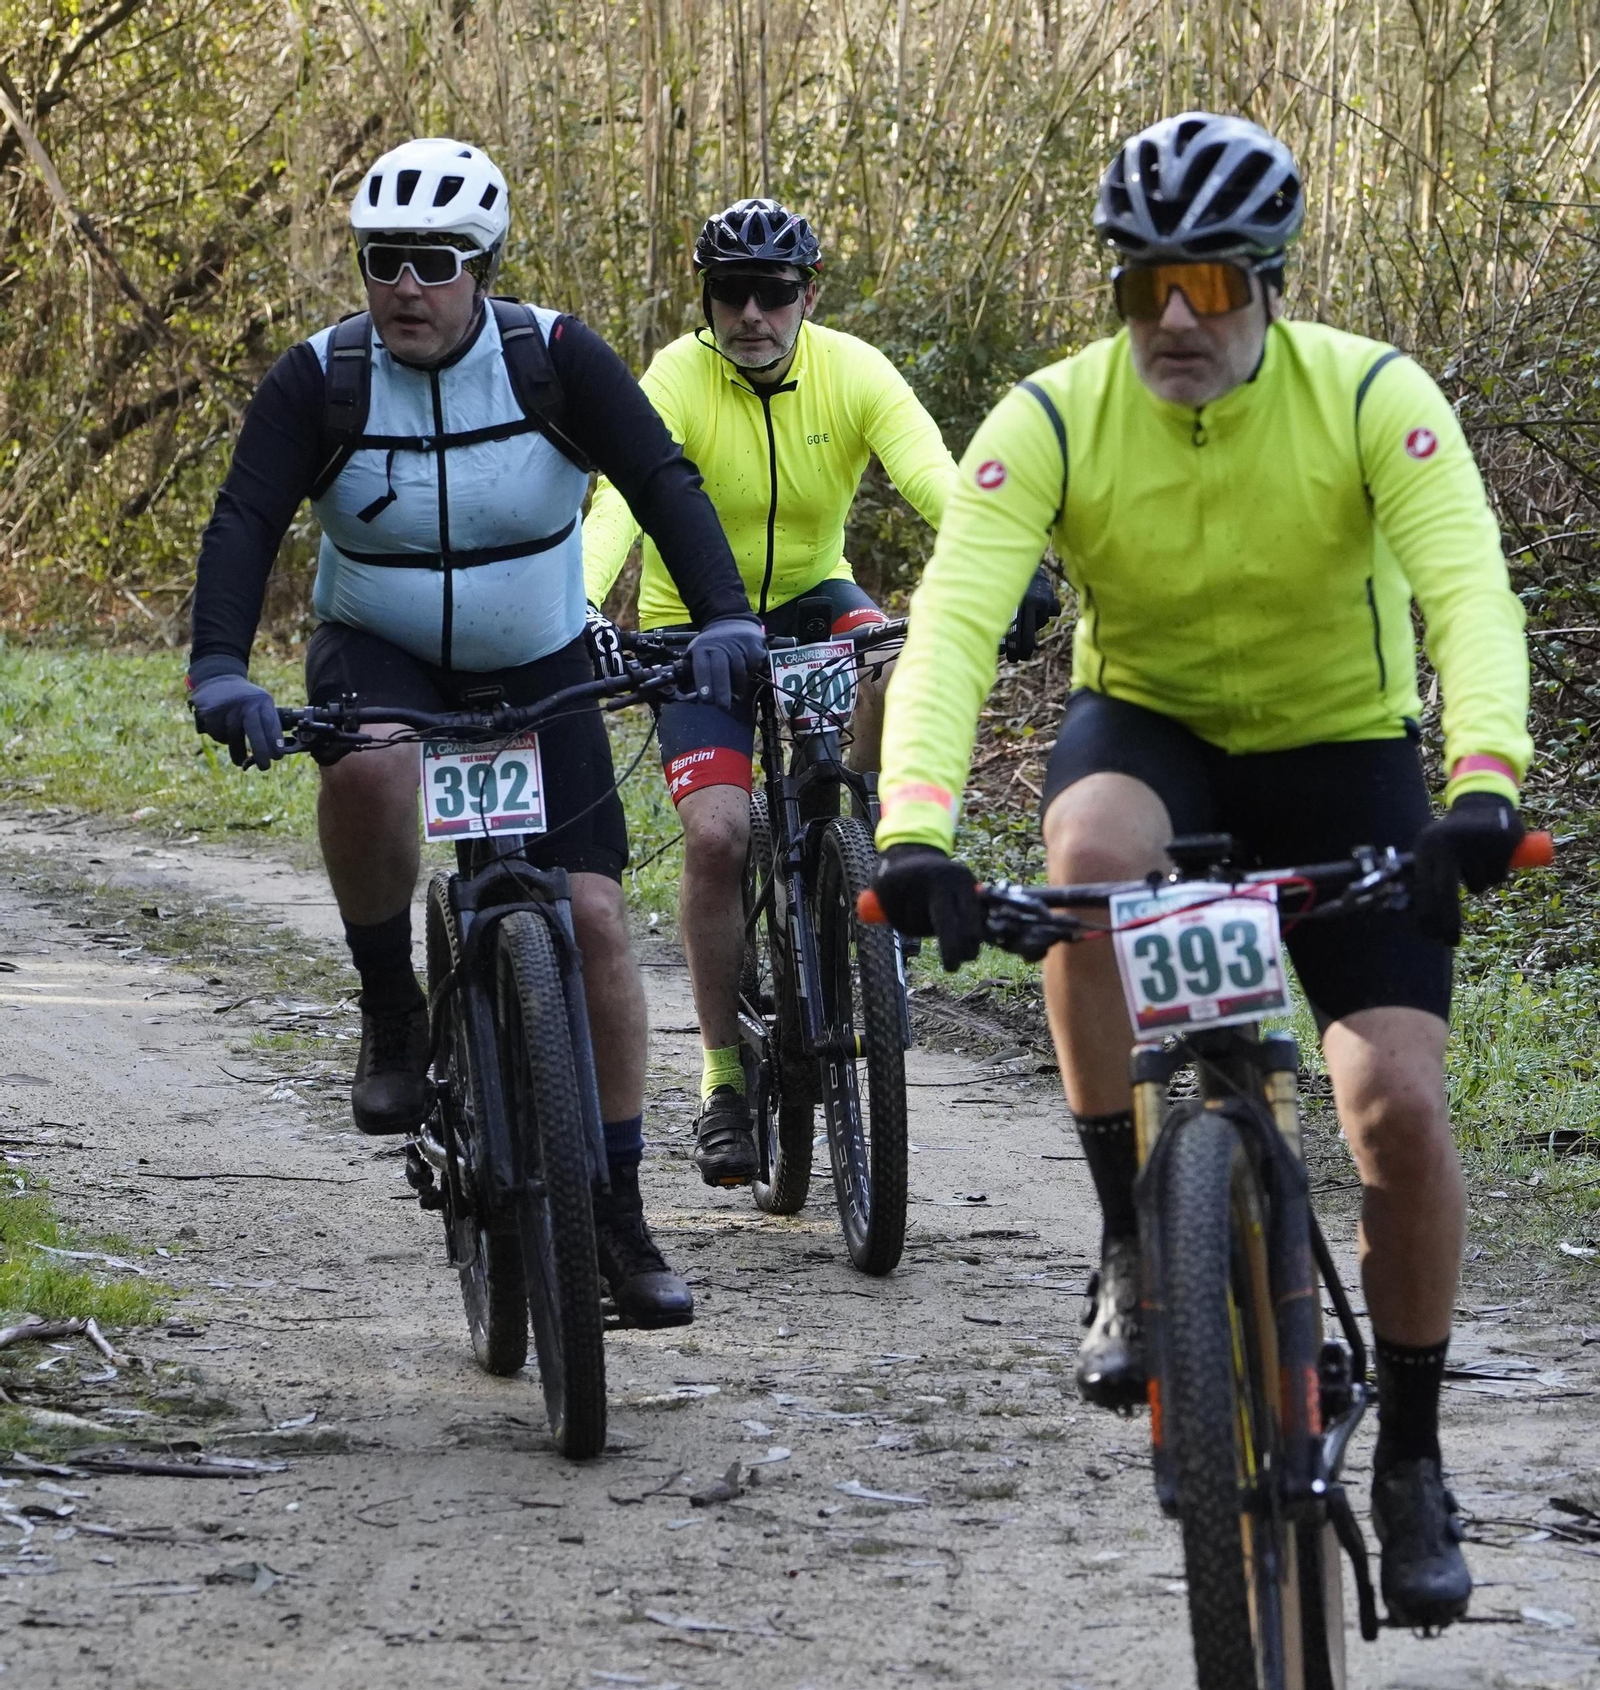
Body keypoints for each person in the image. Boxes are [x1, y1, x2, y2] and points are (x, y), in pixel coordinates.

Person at [870, 112, 1532, 1627]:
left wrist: (1485, 780)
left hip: (1344, 749)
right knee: (1089, 859)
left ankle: (1416, 1456)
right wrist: (913, 830)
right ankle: (1126, 1235)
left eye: (1214, 289)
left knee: (1396, 1107)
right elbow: (957, 622)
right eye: (1145, 285)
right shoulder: (1048, 414)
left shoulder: (1373, 393)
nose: (1176, 319)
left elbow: (1468, 593)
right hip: (1153, 730)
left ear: (1272, 286)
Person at [186, 137, 766, 1329]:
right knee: (373, 765)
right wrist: (219, 671)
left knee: (598, 920)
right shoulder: (323, 379)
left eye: (433, 262)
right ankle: (391, 1003)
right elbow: (246, 516)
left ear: (484, 268)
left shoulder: (552, 359)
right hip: (380, 646)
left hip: (537, 655)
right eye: (382, 261)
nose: (405, 285)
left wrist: (723, 618)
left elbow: (662, 480)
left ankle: (613, 1210)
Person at [586, 196, 1056, 1186]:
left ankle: (860, 838)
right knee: (716, 836)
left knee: (897, 657)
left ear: (808, 296)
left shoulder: (853, 371)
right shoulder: (675, 377)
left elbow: (938, 480)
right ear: (707, 298)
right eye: (731, 294)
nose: (752, 313)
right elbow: (618, 507)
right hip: (691, 625)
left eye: (775, 293)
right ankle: (722, 1080)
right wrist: (582, 610)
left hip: (815, 599)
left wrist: (1010, 562)